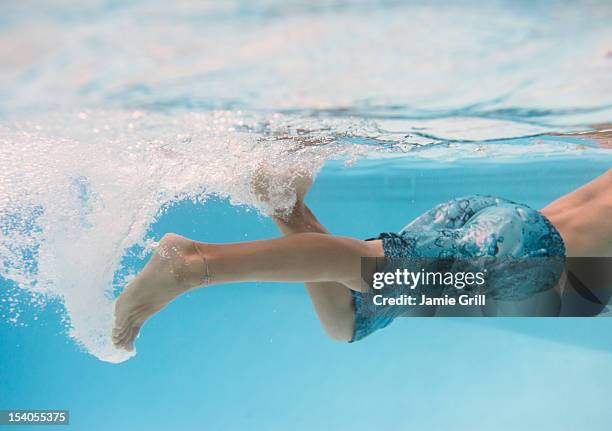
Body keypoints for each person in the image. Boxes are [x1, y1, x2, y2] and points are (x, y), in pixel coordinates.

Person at [112, 168, 612, 352]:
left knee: (350, 320)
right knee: (370, 269)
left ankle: (285, 201)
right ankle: (193, 264)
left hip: (514, 237)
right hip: (529, 260)